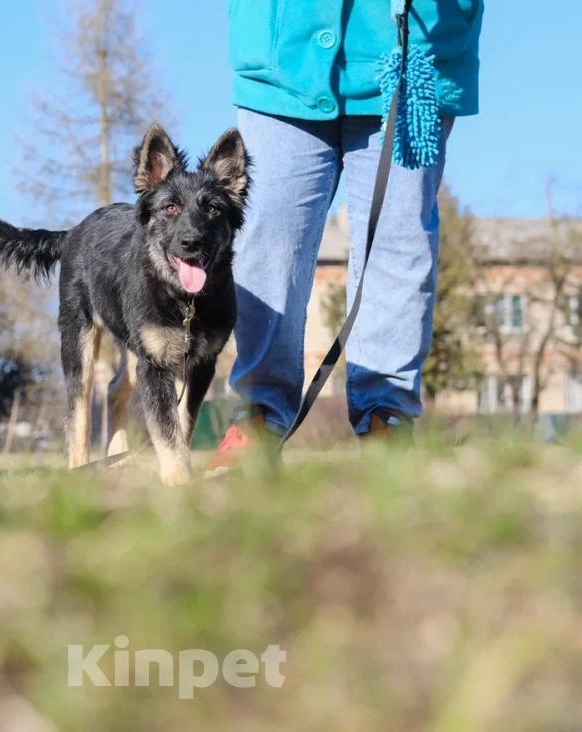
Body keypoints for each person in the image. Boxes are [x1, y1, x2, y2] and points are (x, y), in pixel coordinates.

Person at [205, 0, 484, 474]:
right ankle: (258, 413)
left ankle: (387, 417)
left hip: (411, 51)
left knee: (399, 241)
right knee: (267, 235)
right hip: (282, 57)